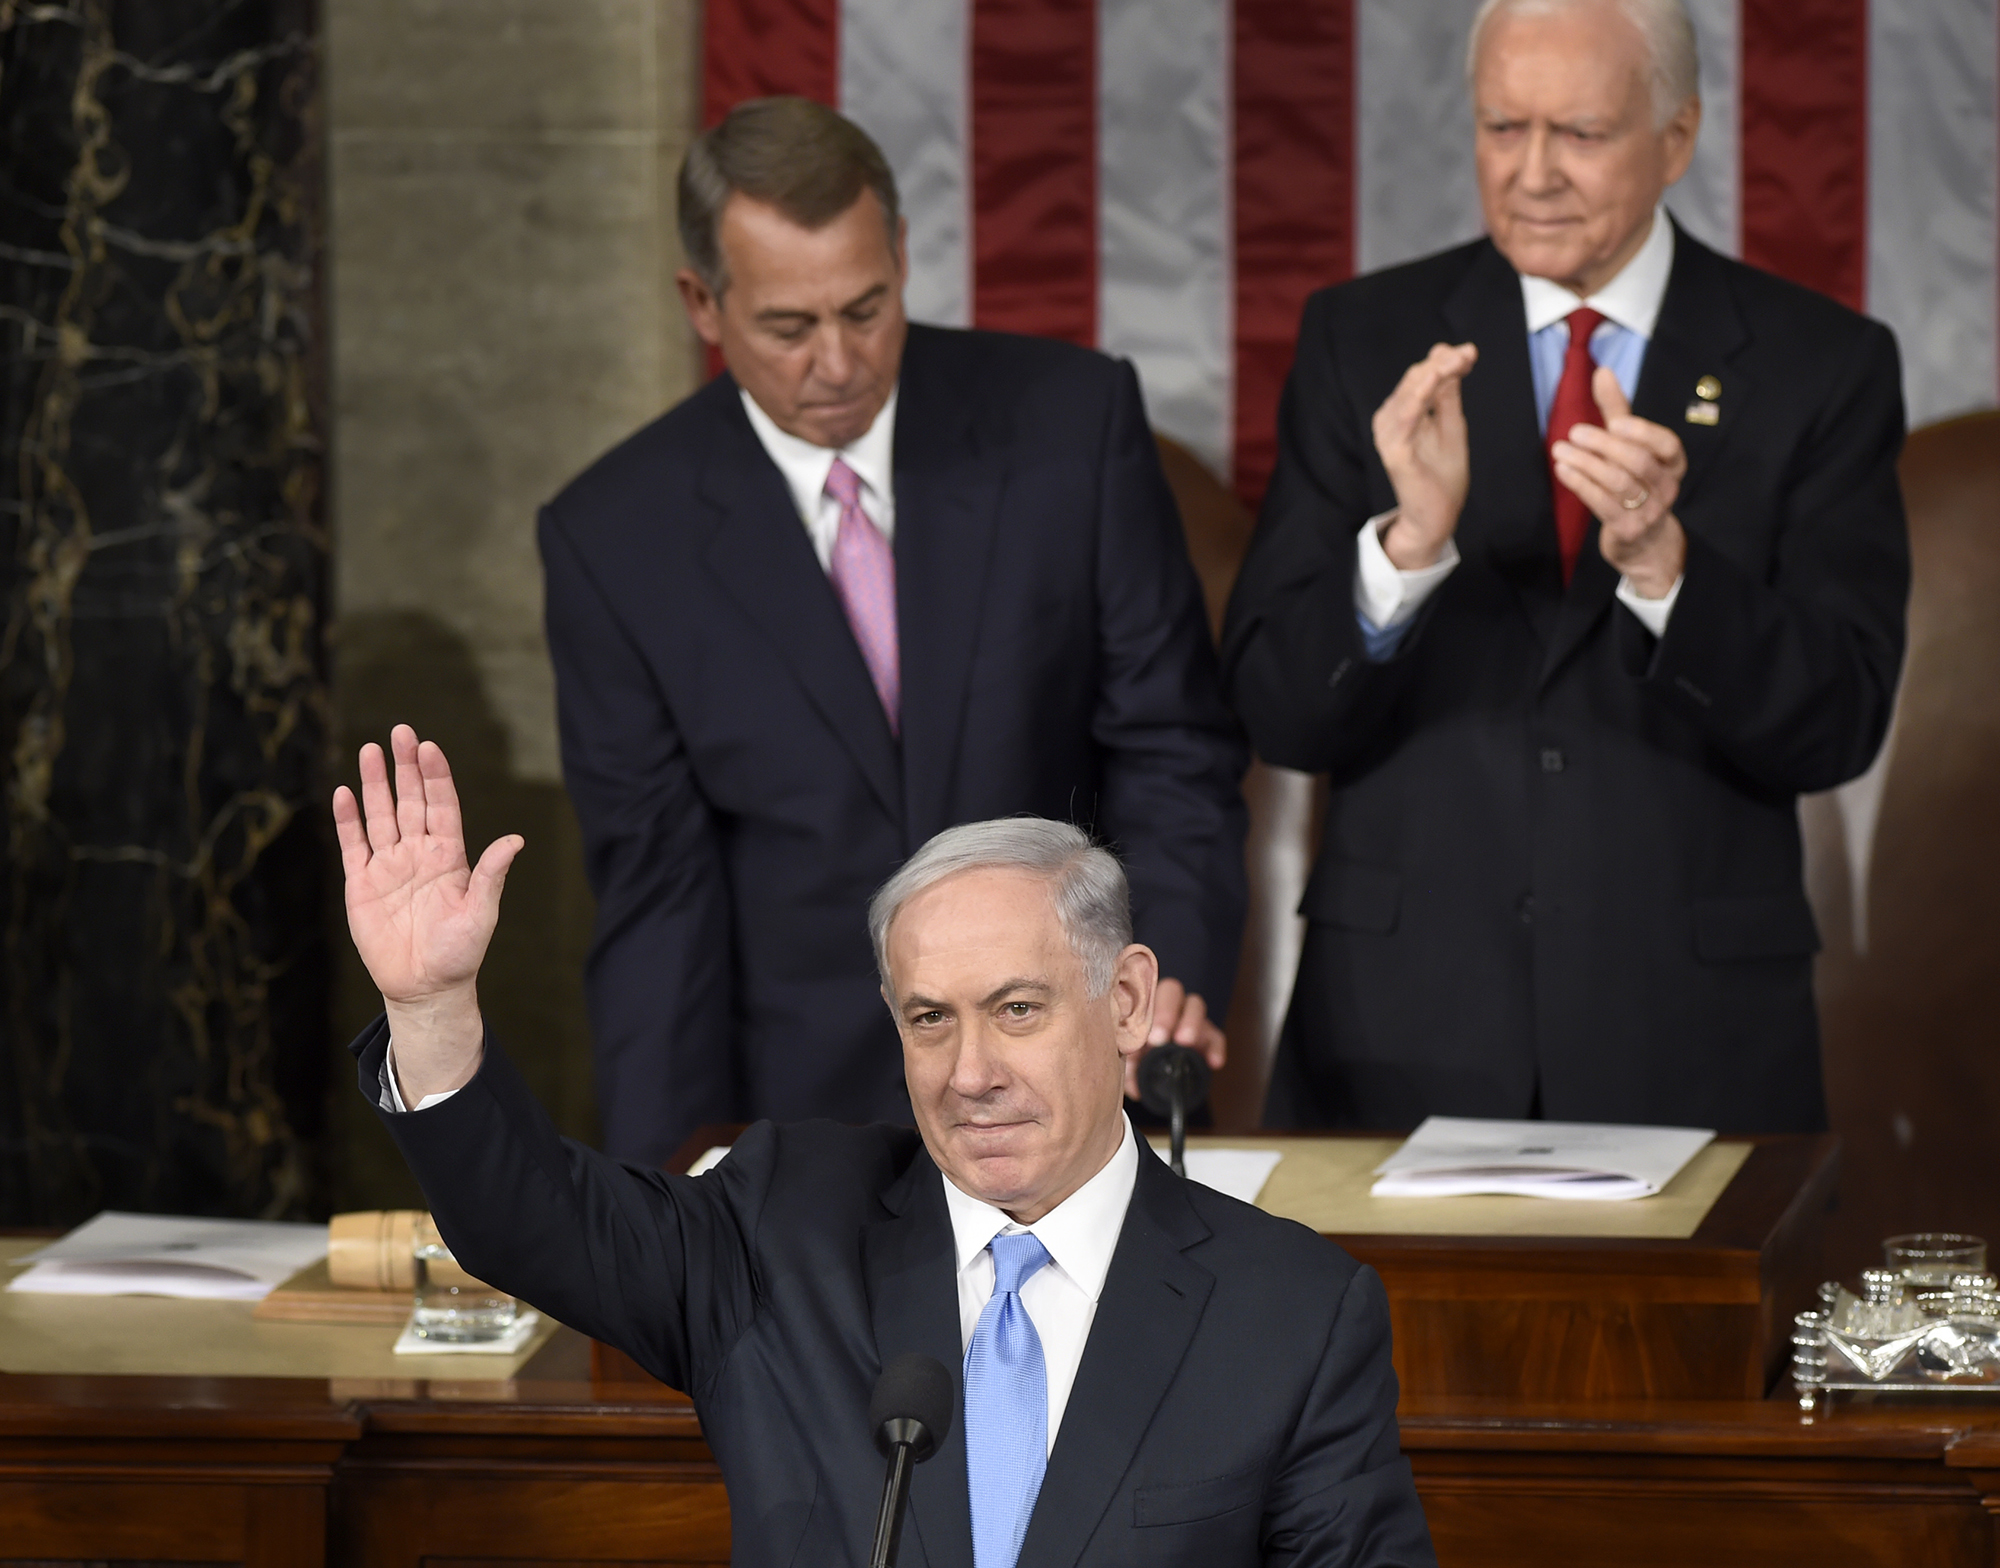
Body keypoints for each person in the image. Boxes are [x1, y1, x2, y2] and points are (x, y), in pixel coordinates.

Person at [332, 725, 1436, 1567]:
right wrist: (432, 1006)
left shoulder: (1291, 1310)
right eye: (928, 1017)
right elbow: (532, 1220)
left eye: (1014, 1008)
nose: (968, 1071)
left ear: (1127, 998)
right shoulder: (782, 1225)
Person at [1222, 0, 1908, 1134]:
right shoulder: (1361, 338)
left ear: (1675, 138)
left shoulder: (1817, 365)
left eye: (1578, 134)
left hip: (1690, 1043)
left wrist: (1665, 570)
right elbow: (1277, 710)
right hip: (1397, 1037)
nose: (1531, 173)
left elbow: (1837, 722)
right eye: (1502, 128)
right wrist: (1408, 548)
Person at [540, 97, 1248, 1167]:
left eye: (866, 309)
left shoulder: (1070, 426)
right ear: (700, 301)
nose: (838, 362)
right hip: (804, 1124)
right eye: (788, 326)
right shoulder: (615, 539)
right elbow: (657, 903)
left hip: (1078, 1083)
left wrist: (1152, 989)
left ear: (903, 257)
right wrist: (664, 1197)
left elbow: (1172, 754)